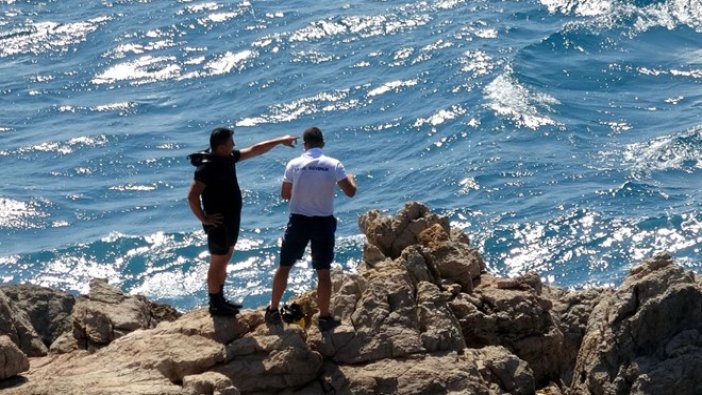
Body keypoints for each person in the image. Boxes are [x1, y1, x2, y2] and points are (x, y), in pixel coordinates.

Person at [188, 127, 297, 316]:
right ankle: (215, 303)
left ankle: (220, 298)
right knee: (218, 262)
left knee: (225, 259)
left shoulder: (227, 157)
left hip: (231, 219)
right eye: (231, 142)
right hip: (218, 223)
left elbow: (254, 150)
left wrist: (280, 140)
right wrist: (204, 218)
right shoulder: (206, 167)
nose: (235, 145)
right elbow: (192, 196)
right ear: (221, 147)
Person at [266, 127, 357, 331]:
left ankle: (272, 311)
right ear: (322, 144)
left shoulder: (294, 164)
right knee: (323, 272)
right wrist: (351, 179)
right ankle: (324, 318)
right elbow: (350, 192)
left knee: (284, 266)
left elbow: (285, 194)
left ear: (305, 144)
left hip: (298, 221)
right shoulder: (334, 164)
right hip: (323, 222)